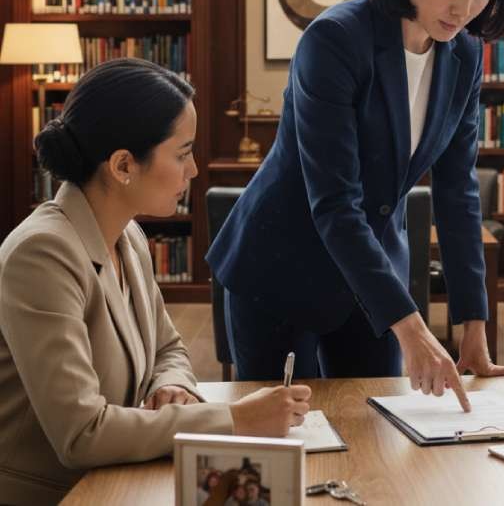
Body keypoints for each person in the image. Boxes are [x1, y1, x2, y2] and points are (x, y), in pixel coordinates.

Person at [207, 0, 504, 406]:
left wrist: (472, 319)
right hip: (283, 264)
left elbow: (457, 190)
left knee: (378, 430)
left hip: (374, 272)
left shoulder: (465, 54)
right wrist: (415, 330)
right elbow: (334, 202)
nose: (464, 8)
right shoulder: (334, 41)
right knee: (287, 439)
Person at [0, 59, 312, 505]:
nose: (194, 171)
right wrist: (235, 419)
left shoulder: (127, 234)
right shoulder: (41, 255)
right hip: (60, 494)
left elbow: (168, 348)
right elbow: (82, 433)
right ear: (123, 165)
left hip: (121, 480)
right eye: (182, 153)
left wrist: (175, 385)